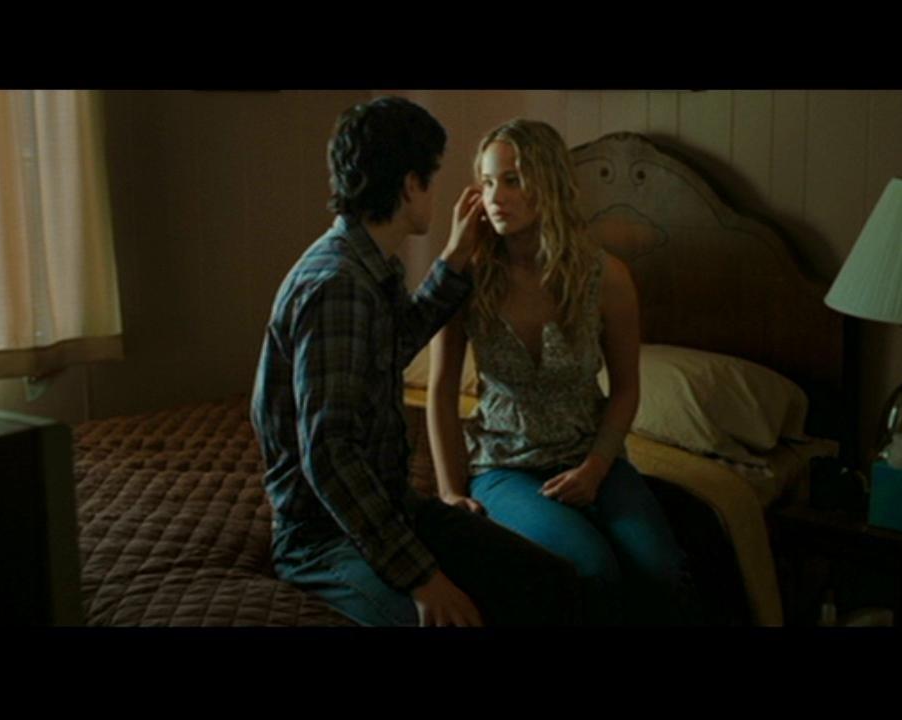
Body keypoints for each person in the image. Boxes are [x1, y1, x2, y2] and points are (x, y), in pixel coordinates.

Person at [250, 98, 580, 627]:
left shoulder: (369, 265)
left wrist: (454, 257)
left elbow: (395, 344)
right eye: (432, 179)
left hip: (393, 506)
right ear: (410, 185)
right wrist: (423, 579)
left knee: (550, 583)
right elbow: (330, 455)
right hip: (325, 534)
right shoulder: (337, 286)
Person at [426, 118, 696, 625]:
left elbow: (626, 389)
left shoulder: (605, 277)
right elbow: (441, 392)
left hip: (590, 456)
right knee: (589, 568)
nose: (495, 197)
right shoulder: (466, 277)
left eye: (512, 180)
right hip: (504, 463)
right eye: (487, 182)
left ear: (547, 183)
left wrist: (595, 468)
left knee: (661, 570)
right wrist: (448, 491)